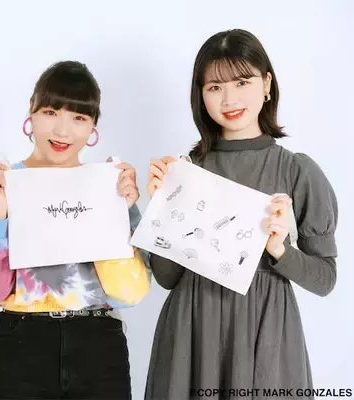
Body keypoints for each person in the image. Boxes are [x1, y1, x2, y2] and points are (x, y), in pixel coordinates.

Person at [144, 29, 339, 399]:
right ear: (201, 95)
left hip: (267, 333)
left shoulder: (297, 170)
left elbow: (325, 279)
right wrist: (164, 205)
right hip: (191, 334)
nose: (229, 98)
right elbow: (167, 278)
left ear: (266, 84)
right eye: (215, 87)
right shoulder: (187, 170)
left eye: (242, 82)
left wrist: (280, 250)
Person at [0, 60, 151, 400]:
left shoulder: (109, 187)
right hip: (21, 344)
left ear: (93, 127)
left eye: (79, 118)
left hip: (99, 344)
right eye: (50, 112)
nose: (62, 131)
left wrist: (119, 209)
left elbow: (131, 293)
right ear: (31, 114)